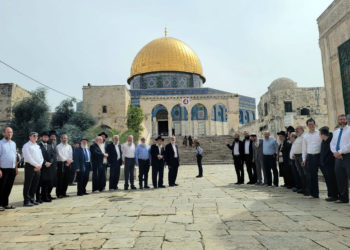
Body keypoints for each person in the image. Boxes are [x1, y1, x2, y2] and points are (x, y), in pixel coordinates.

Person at [330, 114, 350, 203]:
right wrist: (335, 153)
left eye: (343, 119)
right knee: (340, 178)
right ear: (338, 121)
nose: (342, 121)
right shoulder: (336, 132)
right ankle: (343, 198)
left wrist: (340, 152)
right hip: (337, 157)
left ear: (346, 120)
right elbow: (332, 144)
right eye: (340, 119)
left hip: (347, 156)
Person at [302, 118, 322, 199]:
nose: (311, 126)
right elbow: (304, 149)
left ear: (315, 124)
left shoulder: (319, 133)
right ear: (307, 126)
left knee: (327, 174)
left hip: (319, 156)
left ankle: (332, 194)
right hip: (310, 157)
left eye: (312, 124)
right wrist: (304, 159)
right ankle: (314, 194)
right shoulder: (305, 136)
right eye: (309, 124)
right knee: (312, 176)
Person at [22, 132, 43, 206]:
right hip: (30, 167)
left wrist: (40, 164)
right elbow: (28, 157)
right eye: (34, 136)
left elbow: (41, 157)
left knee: (35, 184)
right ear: (30, 137)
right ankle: (26, 201)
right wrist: (36, 165)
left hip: (38, 167)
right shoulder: (26, 146)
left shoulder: (37, 146)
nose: (35, 137)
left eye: (37, 136)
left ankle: (32, 199)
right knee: (28, 184)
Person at [0, 127, 18, 210]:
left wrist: (16, 167)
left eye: (11, 132)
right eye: (8, 132)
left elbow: (14, 156)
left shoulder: (13, 143)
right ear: (4, 133)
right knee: (1, 187)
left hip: (12, 169)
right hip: (3, 169)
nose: (10, 134)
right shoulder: (0, 143)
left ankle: (5, 204)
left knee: (8, 187)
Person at [319, 126, 339, 202]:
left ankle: (334, 195)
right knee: (328, 180)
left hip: (330, 164)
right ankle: (330, 194)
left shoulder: (331, 140)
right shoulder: (323, 141)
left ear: (322, 134)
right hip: (325, 165)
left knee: (332, 180)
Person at [37, 131, 55, 202]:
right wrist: (44, 162)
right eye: (44, 137)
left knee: (49, 182)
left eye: (47, 137)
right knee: (42, 183)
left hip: (49, 167)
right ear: (41, 137)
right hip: (42, 167)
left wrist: (50, 162)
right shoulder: (38, 146)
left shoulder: (50, 146)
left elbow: (53, 156)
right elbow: (38, 156)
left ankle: (46, 195)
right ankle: (42, 197)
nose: (45, 138)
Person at [56, 134, 73, 198]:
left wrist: (69, 161)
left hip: (68, 164)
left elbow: (71, 154)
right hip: (61, 163)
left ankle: (64, 193)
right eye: (63, 138)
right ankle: (59, 193)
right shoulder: (58, 146)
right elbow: (59, 155)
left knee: (66, 179)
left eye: (66, 138)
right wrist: (66, 160)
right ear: (61, 139)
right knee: (60, 179)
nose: (65, 139)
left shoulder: (69, 146)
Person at [290, 126, 305, 194]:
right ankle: (302, 187)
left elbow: (304, 148)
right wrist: (294, 153)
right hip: (296, 156)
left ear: (302, 130)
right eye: (295, 130)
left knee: (304, 173)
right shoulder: (298, 138)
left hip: (301, 156)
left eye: (297, 129)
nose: (296, 131)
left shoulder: (304, 137)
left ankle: (306, 189)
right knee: (300, 173)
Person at [47, 130, 57, 200]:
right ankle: (46, 195)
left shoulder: (55, 143)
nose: (54, 138)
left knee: (52, 181)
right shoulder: (48, 144)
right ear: (49, 137)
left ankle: (49, 194)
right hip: (49, 165)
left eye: (54, 136)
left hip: (54, 165)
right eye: (52, 136)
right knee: (48, 181)